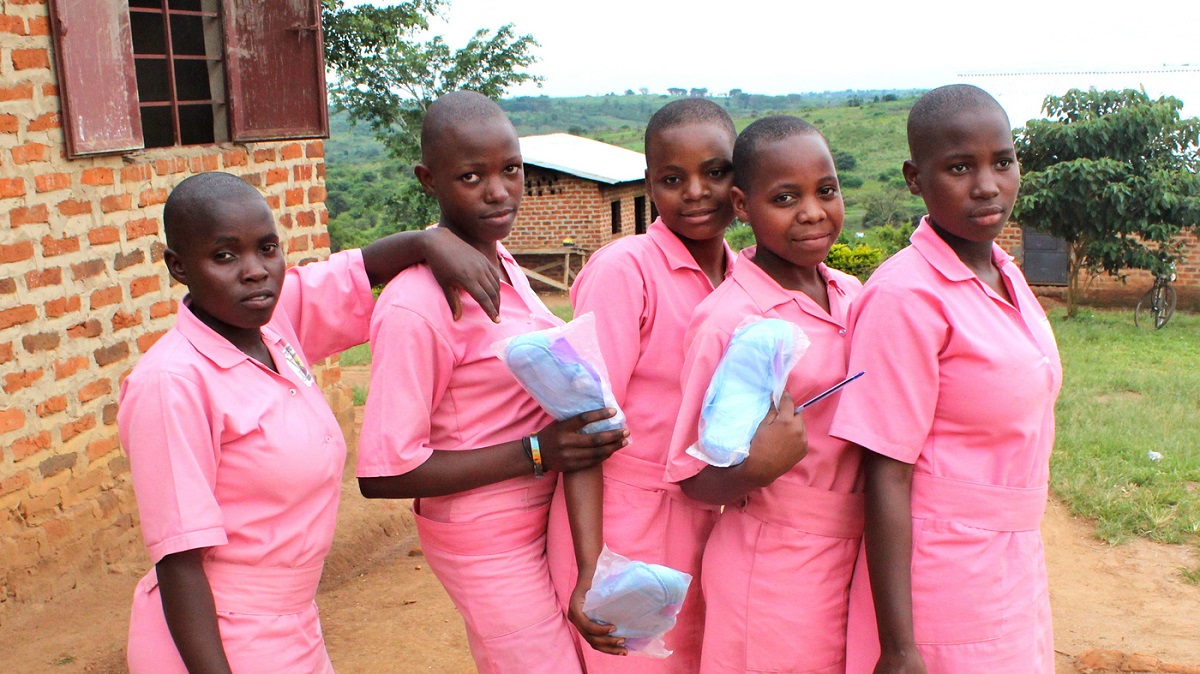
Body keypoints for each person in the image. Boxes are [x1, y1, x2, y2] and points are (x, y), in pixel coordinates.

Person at [119, 171, 504, 673]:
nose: (256, 271)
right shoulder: (173, 383)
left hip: (291, 623)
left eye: (268, 248)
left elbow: (355, 270)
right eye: (224, 256)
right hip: (219, 634)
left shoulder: (273, 326)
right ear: (179, 266)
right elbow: (179, 563)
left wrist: (429, 242)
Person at [355, 91, 629, 674]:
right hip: (486, 533)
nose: (498, 190)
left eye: (511, 170)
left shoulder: (499, 264)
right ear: (428, 179)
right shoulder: (417, 305)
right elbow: (385, 473)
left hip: (541, 508)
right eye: (471, 176)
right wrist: (538, 451)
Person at [832, 85, 1062, 673]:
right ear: (914, 178)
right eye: (959, 167)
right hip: (943, 579)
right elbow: (885, 471)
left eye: (1002, 162)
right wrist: (900, 647)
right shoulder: (905, 296)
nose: (987, 185)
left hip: (1013, 561)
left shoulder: (1002, 272)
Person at [665, 115, 865, 674]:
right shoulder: (730, 318)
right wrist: (758, 466)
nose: (811, 211)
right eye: (784, 197)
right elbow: (691, 477)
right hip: (776, 564)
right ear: (743, 206)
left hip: (861, 548)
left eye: (826, 190)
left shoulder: (852, 294)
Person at [544, 98, 738, 671]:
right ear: (650, 184)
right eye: (673, 178)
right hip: (621, 523)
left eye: (715, 172)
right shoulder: (626, 270)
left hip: (709, 518)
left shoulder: (746, 274)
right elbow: (583, 420)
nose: (696, 191)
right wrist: (590, 568)